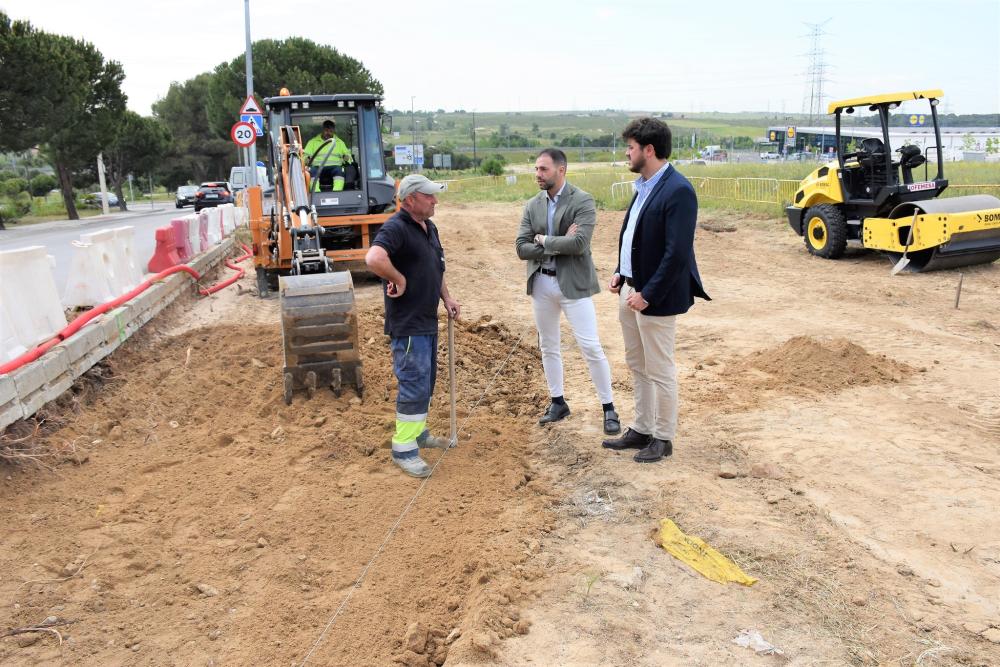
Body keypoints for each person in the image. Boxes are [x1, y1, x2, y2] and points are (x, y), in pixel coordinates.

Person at [601, 118, 710, 463]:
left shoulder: (678, 190)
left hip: (653, 299)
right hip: (630, 291)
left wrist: (648, 294)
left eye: (630, 147)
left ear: (648, 150)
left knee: (660, 369)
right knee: (638, 364)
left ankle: (663, 438)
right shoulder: (643, 187)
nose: (626, 153)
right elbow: (635, 238)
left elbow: (676, 253)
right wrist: (621, 272)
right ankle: (642, 428)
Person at [515, 148, 620, 435]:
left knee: (590, 346)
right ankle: (557, 402)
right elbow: (521, 248)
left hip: (573, 284)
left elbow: (579, 244)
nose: (538, 174)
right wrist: (556, 242)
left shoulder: (582, 200)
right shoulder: (532, 204)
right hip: (541, 283)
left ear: (561, 170)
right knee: (548, 346)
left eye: (544, 169)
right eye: (536, 169)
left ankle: (609, 408)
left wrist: (543, 239)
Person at [365, 174, 461, 478]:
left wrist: (446, 297)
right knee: (414, 383)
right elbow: (374, 258)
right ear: (410, 200)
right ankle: (404, 449)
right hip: (408, 325)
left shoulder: (429, 227)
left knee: (425, 383)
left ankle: (418, 433)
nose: (435, 201)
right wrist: (398, 278)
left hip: (427, 320)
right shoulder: (396, 227)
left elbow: (436, 267)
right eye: (429, 196)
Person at [304, 120, 353, 192]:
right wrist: (306, 159)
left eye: (331, 131)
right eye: (326, 130)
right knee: (312, 171)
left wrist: (347, 158)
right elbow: (305, 156)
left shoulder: (339, 142)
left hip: (335, 167)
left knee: (340, 171)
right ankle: (316, 193)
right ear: (323, 130)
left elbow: (349, 157)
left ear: (333, 131)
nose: (328, 133)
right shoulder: (312, 142)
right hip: (317, 167)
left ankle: (337, 193)